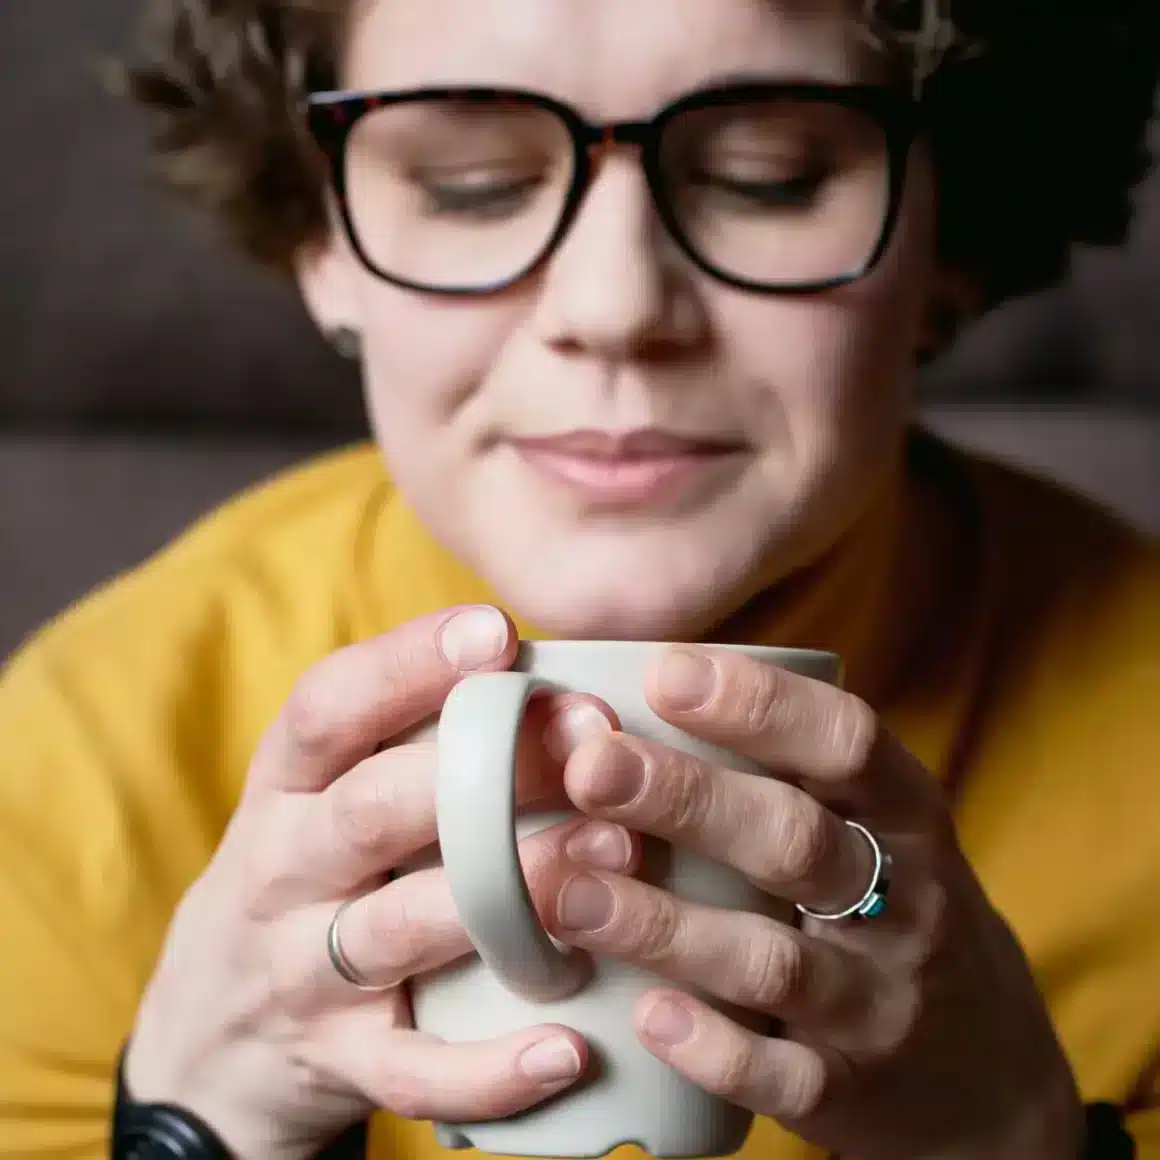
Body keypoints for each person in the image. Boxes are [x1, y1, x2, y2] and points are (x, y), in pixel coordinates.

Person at [2, 0, 1160, 1157]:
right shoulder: (85, 757)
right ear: (322, 237)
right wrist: (190, 1128)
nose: (615, 309)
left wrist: (1026, 1137)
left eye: (765, 180)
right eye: (471, 187)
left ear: (950, 238)